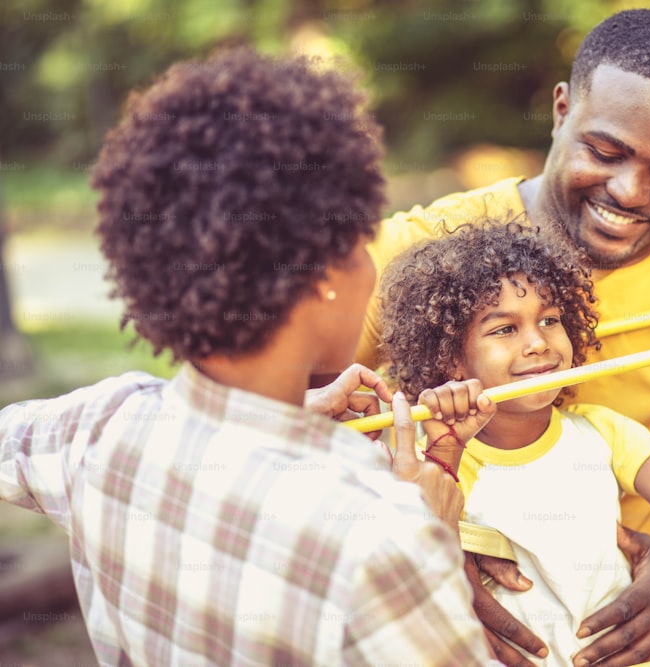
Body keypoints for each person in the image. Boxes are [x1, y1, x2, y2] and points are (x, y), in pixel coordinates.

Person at [351, 9, 650, 667]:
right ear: (561, 110)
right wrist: (430, 556)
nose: (629, 191)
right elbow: (279, 434)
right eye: (604, 152)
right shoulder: (415, 256)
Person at [0, 48, 499, 666]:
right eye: (363, 242)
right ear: (324, 273)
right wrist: (439, 529)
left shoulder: (99, 422)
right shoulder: (382, 535)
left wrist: (282, 415)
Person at [378, 221, 650, 666]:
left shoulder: (604, 434)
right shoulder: (427, 454)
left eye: (550, 320)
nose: (537, 343)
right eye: (504, 330)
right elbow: (411, 568)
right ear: (451, 359)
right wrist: (447, 450)